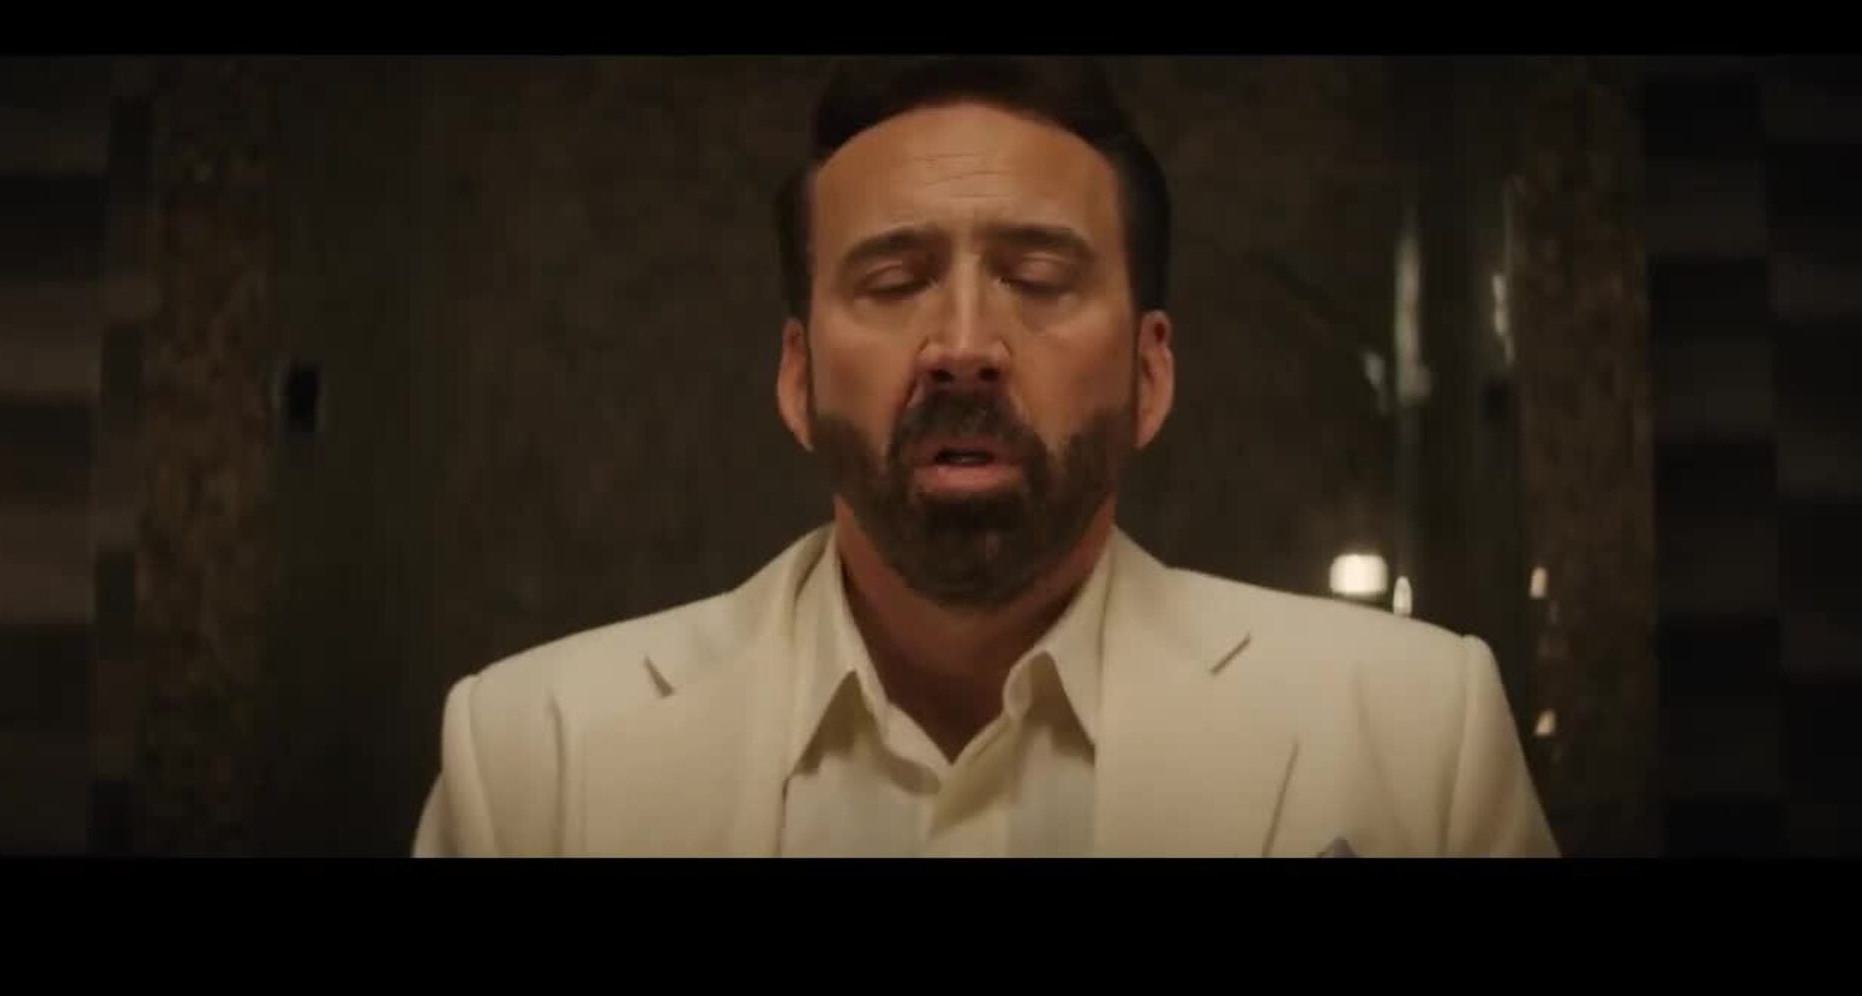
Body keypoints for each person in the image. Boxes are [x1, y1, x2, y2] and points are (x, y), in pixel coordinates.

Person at [411, 56, 1560, 858]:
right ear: (799, 377)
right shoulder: (534, 764)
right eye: (894, 280)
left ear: (1151, 374)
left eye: (1040, 278)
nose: (964, 346)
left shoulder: (1414, 737)